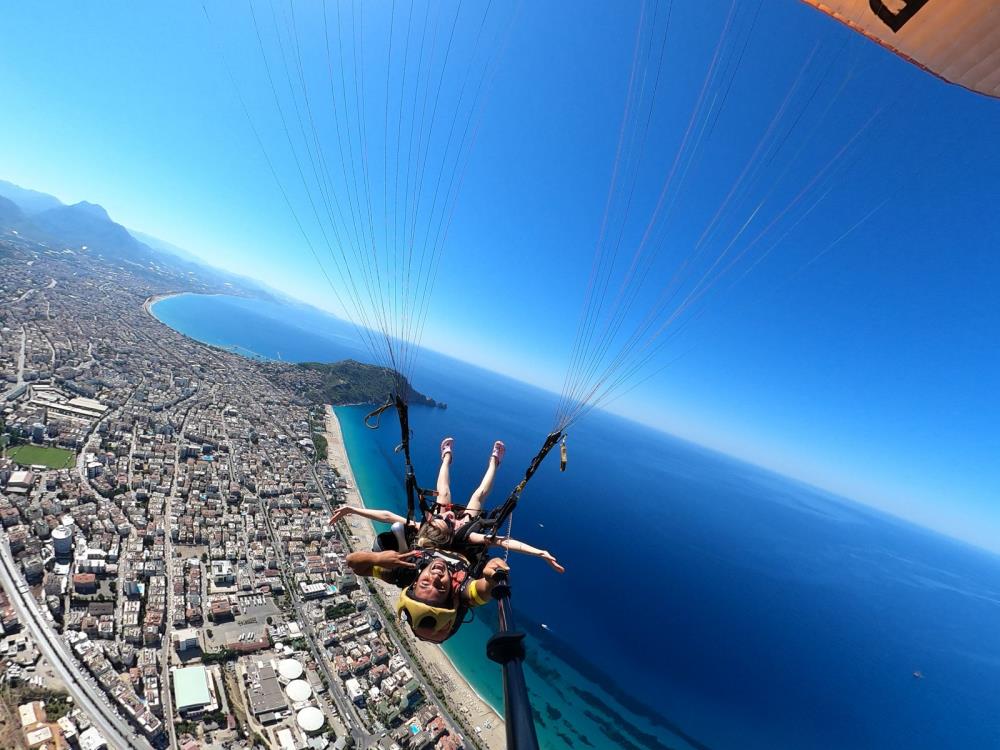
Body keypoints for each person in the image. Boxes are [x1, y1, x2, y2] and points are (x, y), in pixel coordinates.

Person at [329, 437, 564, 572]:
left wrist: (353, 510)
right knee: (479, 495)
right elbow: (504, 542)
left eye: (443, 518)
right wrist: (540, 552)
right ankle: (494, 462)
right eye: (448, 521)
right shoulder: (465, 536)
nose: (450, 515)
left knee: (443, 492)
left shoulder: (431, 523)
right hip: (467, 528)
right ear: (449, 532)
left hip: (438, 531)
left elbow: (388, 516)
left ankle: (446, 458)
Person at [344, 546, 509, 643]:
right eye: (441, 587)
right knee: (478, 497)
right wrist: (491, 579)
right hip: (464, 549)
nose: (435, 577)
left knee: (443, 492)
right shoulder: (460, 591)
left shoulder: (404, 572)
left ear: (414, 583)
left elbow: (353, 563)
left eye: (425, 583)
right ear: (451, 594)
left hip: (435, 541)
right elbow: (482, 591)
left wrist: (378, 557)